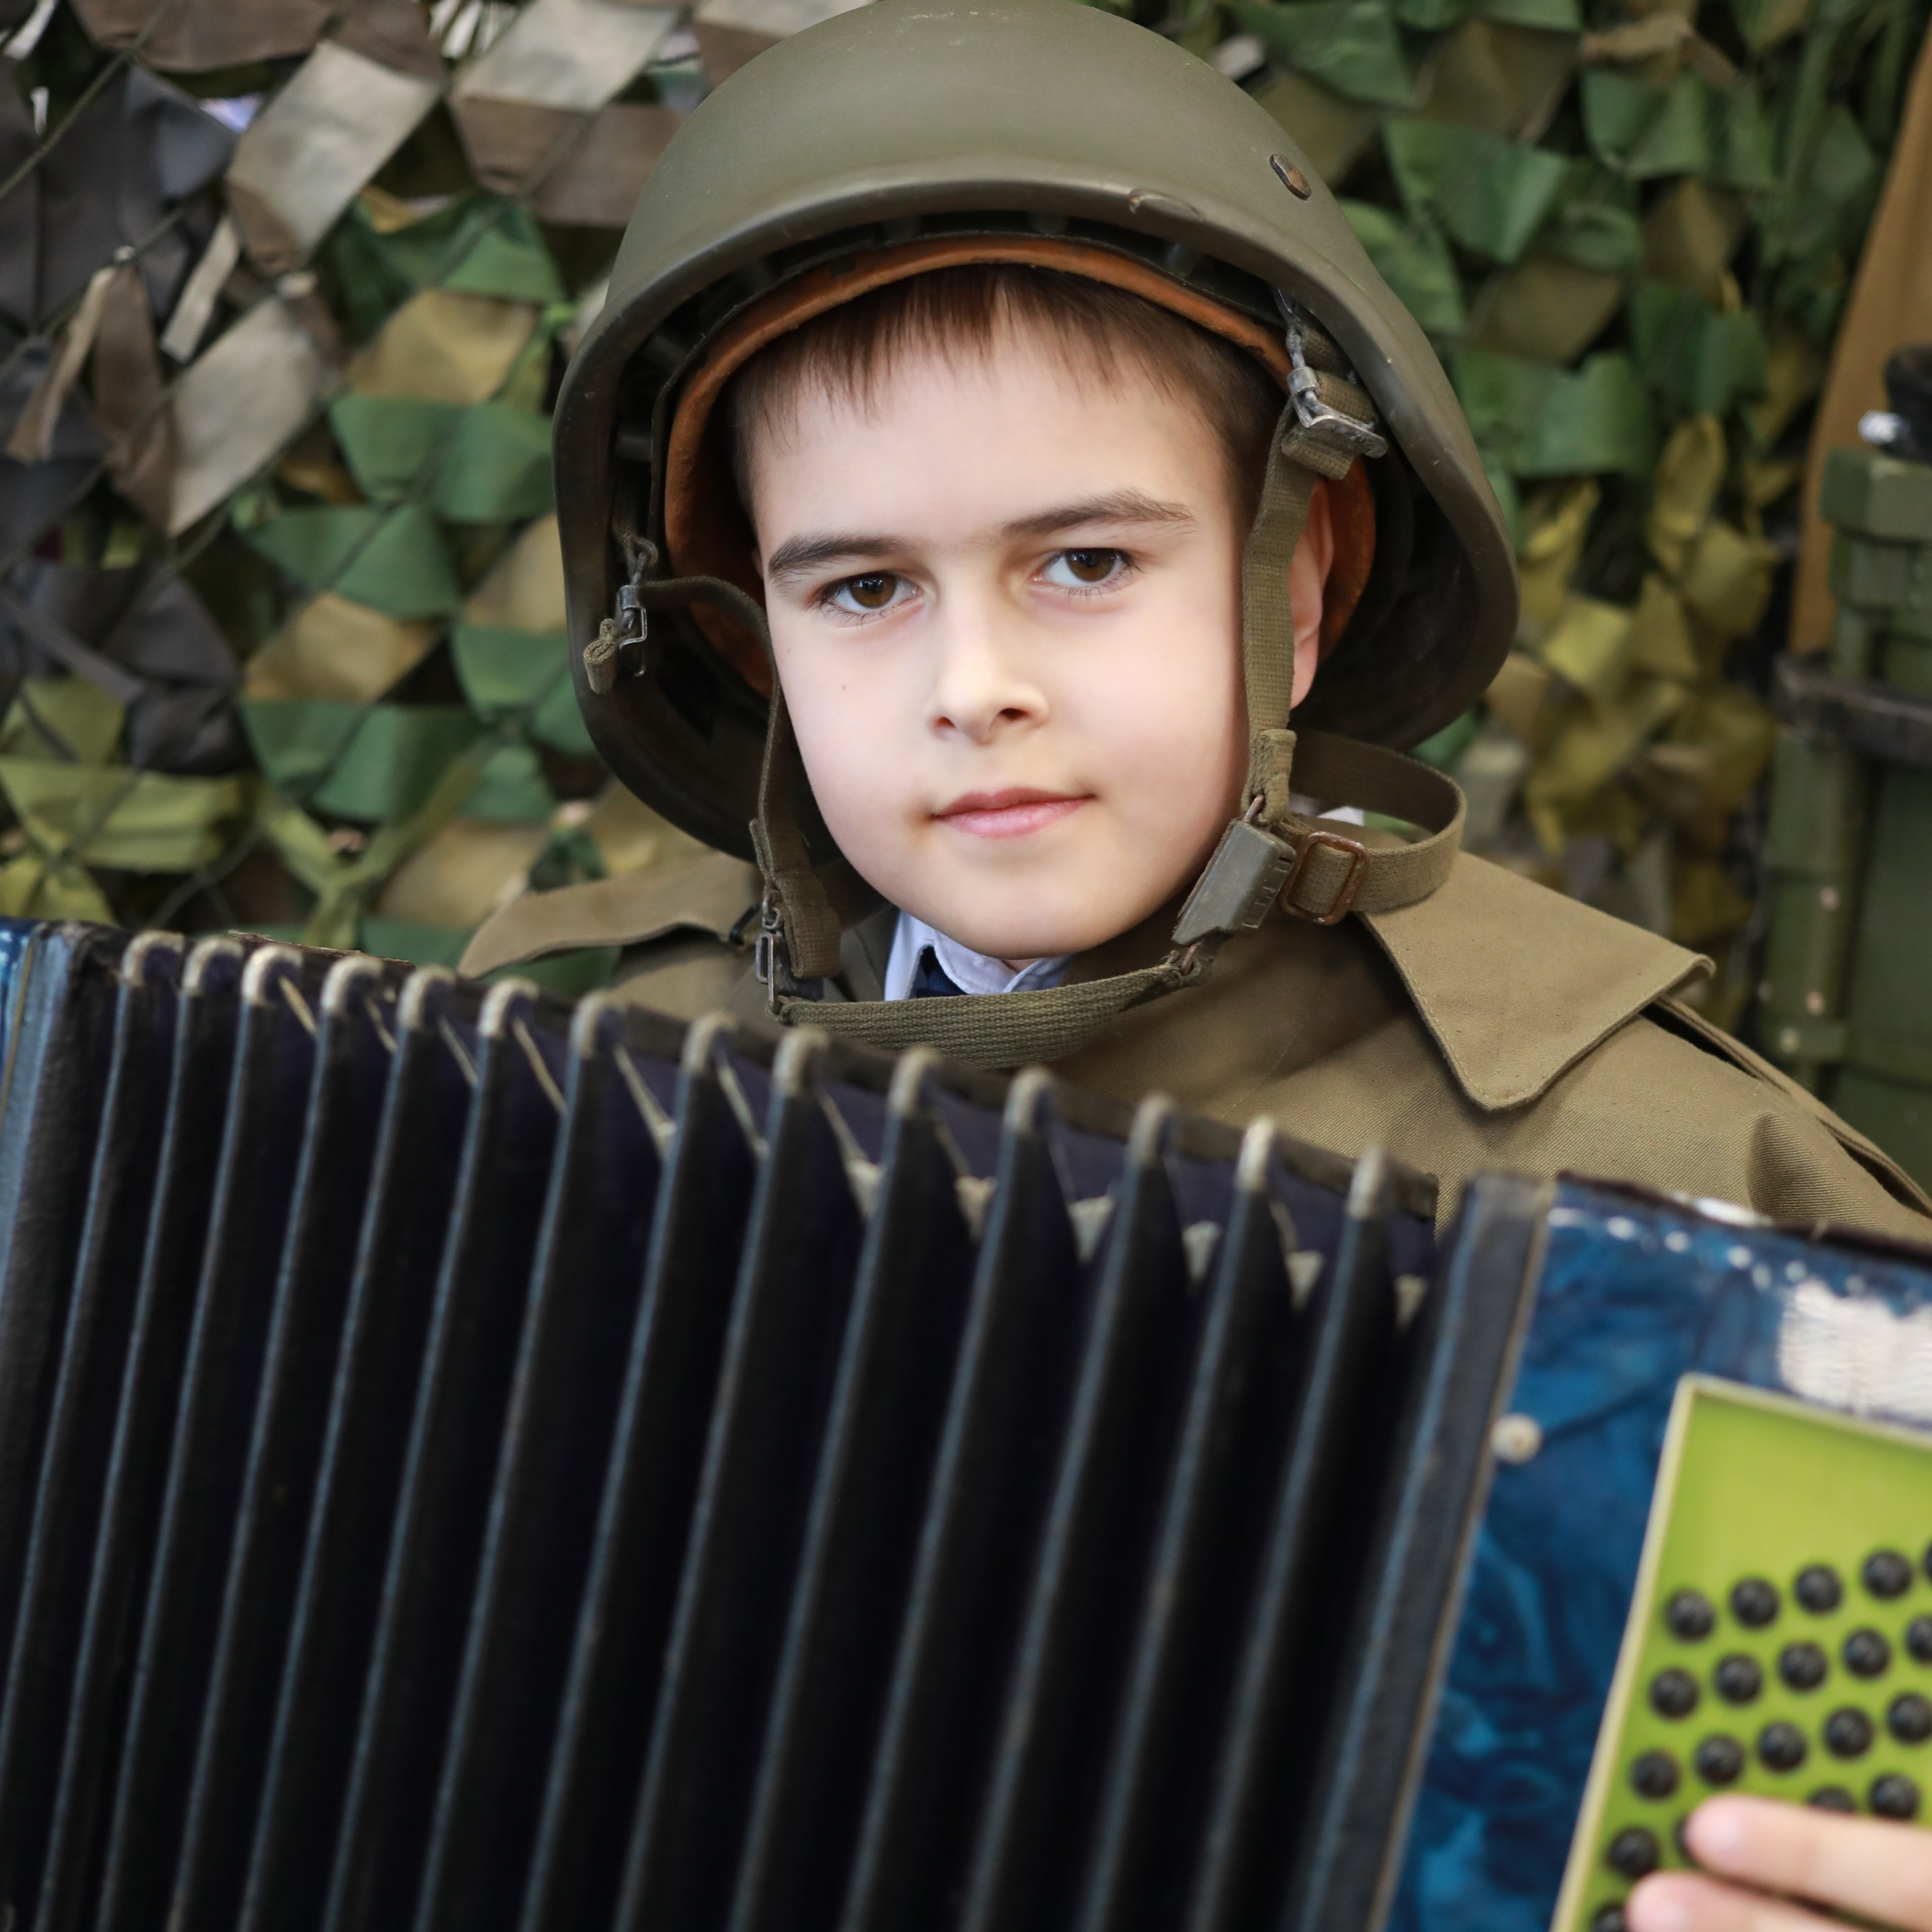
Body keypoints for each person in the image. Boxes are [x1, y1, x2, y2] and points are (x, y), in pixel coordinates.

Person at [457, 3, 1932, 1923]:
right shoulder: (566, 1057)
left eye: (1084, 561)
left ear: (1293, 589)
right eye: (862, 586)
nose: (971, 684)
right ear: (750, 641)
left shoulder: (1682, 1194)